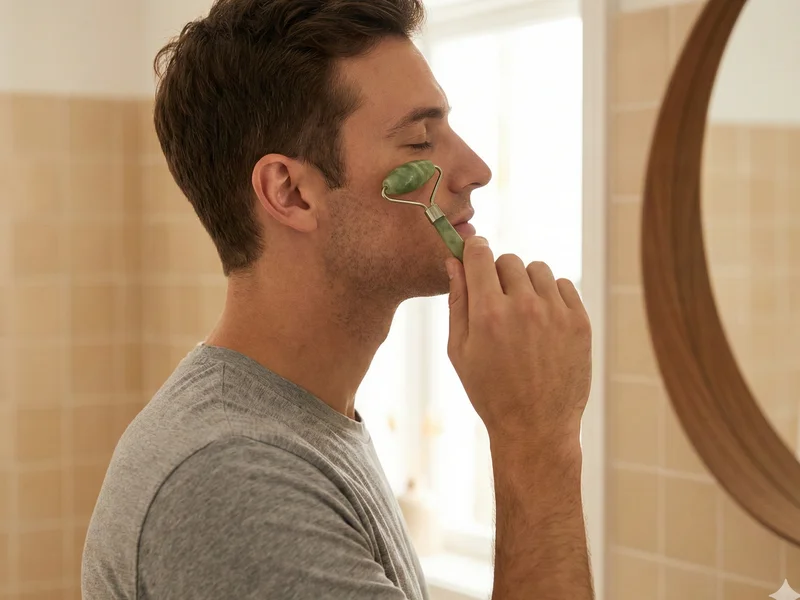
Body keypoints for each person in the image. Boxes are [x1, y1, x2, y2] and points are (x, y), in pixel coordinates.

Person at [81, 0, 594, 598]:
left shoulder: (306, 426)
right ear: (291, 193)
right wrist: (536, 438)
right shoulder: (233, 480)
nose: (476, 169)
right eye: (420, 141)